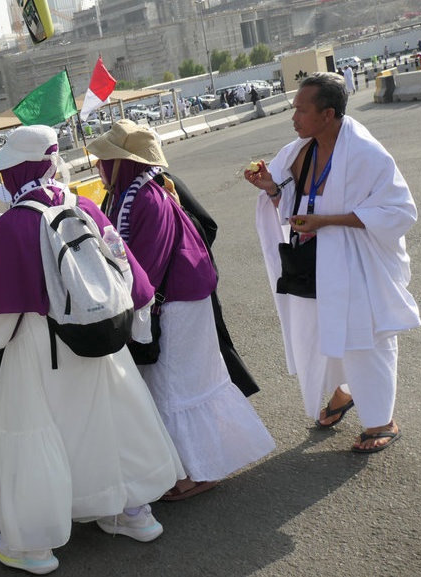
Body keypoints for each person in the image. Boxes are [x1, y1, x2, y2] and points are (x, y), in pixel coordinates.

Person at [0, 125, 184, 574]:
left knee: (36, 438)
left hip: (40, 348)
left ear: (15, 171)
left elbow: (1, 316)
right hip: (98, 341)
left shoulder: (15, 222)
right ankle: (132, 513)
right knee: (108, 425)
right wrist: (135, 332)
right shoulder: (83, 204)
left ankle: (33, 546)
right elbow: (132, 277)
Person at [89, 120, 275, 501]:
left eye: (106, 159)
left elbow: (145, 267)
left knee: (177, 389)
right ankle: (202, 463)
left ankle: (196, 471)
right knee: (189, 385)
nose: (99, 166)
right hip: (185, 300)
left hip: (176, 305)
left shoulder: (141, 199)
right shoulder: (145, 191)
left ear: (124, 163)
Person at [244, 72, 420, 453]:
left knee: (365, 338)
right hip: (314, 264)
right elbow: (290, 201)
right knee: (319, 332)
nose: (293, 118)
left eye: (301, 111)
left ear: (327, 114)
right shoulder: (298, 152)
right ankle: (342, 393)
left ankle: (381, 420)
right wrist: (270, 188)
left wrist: (328, 221)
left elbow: (400, 212)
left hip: (358, 264)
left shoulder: (368, 154)